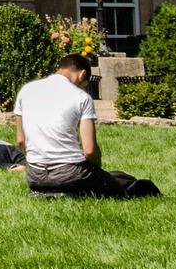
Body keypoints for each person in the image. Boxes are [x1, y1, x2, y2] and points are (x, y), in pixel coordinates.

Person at [12, 54, 160, 198]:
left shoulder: (26, 91)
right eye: (84, 84)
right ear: (82, 74)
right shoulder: (81, 97)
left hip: (35, 178)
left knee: (114, 177)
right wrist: (96, 168)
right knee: (124, 190)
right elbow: (89, 151)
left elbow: (21, 140)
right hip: (72, 175)